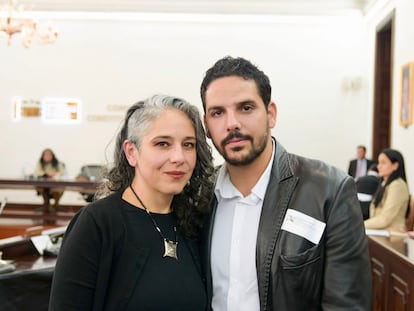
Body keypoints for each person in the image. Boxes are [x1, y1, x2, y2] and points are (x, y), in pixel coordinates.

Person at [199, 56, 372, 310]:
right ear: (206, 126)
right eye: (217, 113)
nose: (231, 123)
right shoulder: (199, 195)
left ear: (271, 115)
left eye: (246, 108)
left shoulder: (329, 191)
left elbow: (346, 304)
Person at [49, 94, 215, 310]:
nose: (178, 157)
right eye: (162, 143)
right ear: (131, 152)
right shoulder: (97, 223)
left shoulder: (195, 223)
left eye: (188, 145)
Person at [364, 148, 410, 232]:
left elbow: (385, 219)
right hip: (380, 233)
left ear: (395, 166)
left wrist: (359, 225)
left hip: (392, 235)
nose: (379, 166)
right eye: (379, 162)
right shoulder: (384, 183)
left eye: (383, 163)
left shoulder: (397, 185)